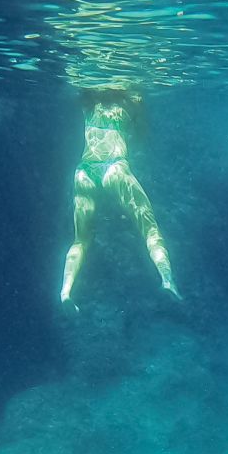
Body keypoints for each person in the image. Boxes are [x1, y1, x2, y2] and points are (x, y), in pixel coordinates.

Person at [61, 84, 179, 305]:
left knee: (80, 240)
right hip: (115, 169)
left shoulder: (89, 99)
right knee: (150, 229)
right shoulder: (133, 99)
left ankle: (65, 292)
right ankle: (167, 280)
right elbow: (143, 136)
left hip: (85, 172)